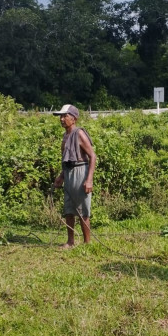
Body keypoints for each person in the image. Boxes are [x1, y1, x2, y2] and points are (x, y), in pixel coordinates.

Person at [52, 104, 96, 248]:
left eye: (65, 116)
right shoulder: (65, 136)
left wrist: (89, 180)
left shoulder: (79, 134)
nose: (62, 119)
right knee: (69, 209)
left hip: (80, 172)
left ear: (74, 119)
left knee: (82, 210)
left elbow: (92, 156)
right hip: (69, 173)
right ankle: (70, 241)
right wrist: (61, 177)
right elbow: (66, 161)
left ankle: (87, 243)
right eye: (61, 116)